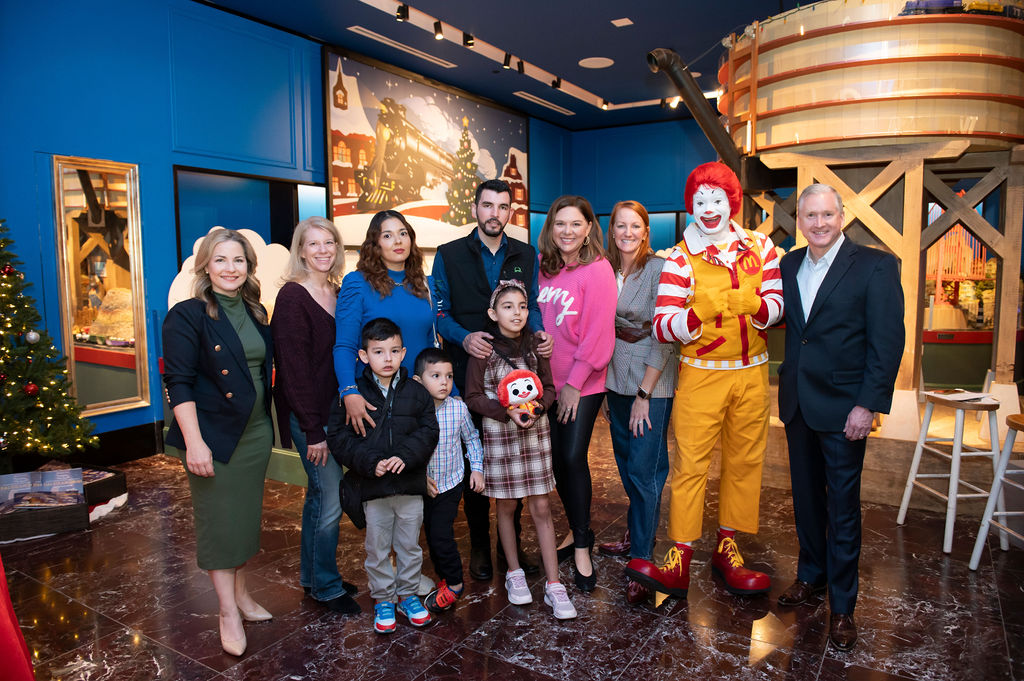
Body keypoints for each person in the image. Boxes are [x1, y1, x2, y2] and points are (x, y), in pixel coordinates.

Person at [627, 162, 783, 600]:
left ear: (732, 202)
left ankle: (728, 548)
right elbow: (661, 326)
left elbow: (777, 309)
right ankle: (679, 558)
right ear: (690, 205)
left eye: (717, 199)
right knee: (690, 466)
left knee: (744, 462)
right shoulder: (678, 257)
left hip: (752, 374)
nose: (708, 208)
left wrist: (755, 305)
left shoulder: (762, 247)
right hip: (701, 375)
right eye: (699, 201)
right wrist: (696, 314)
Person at [776, 184, 904, 652]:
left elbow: (887, 342)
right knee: (806, 501)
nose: (819, 223)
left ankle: (843, 606)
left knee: (842, 510)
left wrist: (867, 405)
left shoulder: (875, 265)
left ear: (842, 216)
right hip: (797, 405)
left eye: (827, 214)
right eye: (810, 215)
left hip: (845, 409)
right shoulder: (789, 264)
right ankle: (810, 575)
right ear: (800, 220)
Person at [163, 229, 275, 657]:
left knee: (244, 523)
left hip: (256, 434)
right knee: (219, 526)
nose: (231, 269)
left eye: (239, 261)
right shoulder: (187, 315)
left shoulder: (256, 311)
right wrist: (194, 443)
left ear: (249, 267)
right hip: (213, 437)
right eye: (221, 260)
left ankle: (243, 597)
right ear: (206, 267)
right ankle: (227, 611)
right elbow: (179, 382)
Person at [433, 178, 552, 581]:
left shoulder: (525, 253)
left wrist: (537, 334)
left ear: (509, 212)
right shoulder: (449, 255)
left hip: (517, 368)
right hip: (469, 369)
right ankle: (481, 546)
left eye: (503, 207)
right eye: (487, 206)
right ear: (475, 209)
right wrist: (463, 337)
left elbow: (531, 303)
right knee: (476, 459)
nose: (494, 214)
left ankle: (512, 545)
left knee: (512, 460)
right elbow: (439, 313)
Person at [464, 280, 576, 619]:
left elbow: (550, 389)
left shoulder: (536, 347)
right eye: (508, 307)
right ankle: (514, 572)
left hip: (535, 437)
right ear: (492, 313)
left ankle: (554, 584)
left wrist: (536, 409)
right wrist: (507, 412)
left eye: (523, 307)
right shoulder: (482, 352)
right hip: (501, 439)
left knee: (542, 507)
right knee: (507, 507)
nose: (517, 313)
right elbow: (472, 397)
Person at [327, 318, 440, 634]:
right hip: (373, 488)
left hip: (408, 485)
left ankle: (407, 595)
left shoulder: (416, 392)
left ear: (404, 352)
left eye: (393, 351)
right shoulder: (351, 394)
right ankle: (383, 599)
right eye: (378, 352)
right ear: (363, 356)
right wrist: (369, 461)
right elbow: (339, 437)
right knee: (377, 549)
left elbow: (429, 430)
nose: (387, 359)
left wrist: (405, 456)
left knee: (409, 545)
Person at [271, 216, 358, 615]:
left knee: (319, 497)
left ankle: (313, 575)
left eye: (329, 243)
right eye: (314, 244)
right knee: (329, 501)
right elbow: (293, 371)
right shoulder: (292, 297)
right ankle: (325, 586)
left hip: (335, 415)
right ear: (301, 250)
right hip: (312, 418)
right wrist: (313, 431)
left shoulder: (338, 292)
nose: (323, 250)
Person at [598, 201, 678, 605]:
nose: (627, 233)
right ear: (612, 231)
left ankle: (643, 562)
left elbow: (664, 334)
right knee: (628, 466)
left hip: (652, 380)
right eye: (620, 226)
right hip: (615, 377)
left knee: (645, 472)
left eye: (635, 226)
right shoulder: (606, 269)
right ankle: (635, 533)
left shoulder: (660, 270)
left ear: (646, 231)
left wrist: (645, 395)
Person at [536, 195, 616, 592]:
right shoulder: (544, 269)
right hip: (545, 384)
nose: (566, 231)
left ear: (588, 230)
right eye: (560, 224)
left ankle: (583, 543)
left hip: (582, 382)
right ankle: (575, 528)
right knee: (557, 462)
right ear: (551, 228)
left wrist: (573, 385)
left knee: (571, 456)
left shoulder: (597, 270)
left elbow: (600, 337)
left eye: (575, 224)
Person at [335, 210, 436, 439]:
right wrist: (349, 392)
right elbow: (344, 345)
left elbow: (431, 345)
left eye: (403, 233)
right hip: (375, 399)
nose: (398, 240)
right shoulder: (357, 283)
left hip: (420, 398)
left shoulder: (425, 285)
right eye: (388, 235)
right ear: (376, 244)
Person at [412, 347, 485, 613]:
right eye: (436, 376)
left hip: (450, 484)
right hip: (420, 486)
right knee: (427, 536)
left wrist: (476, 469)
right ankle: (440, 577)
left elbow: (472, 440)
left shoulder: (459, 409)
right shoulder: (412, 414)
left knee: (442, 535)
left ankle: (454, 584)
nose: (444, 382)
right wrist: (418, 478)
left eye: (449, 376)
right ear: (418, 381)